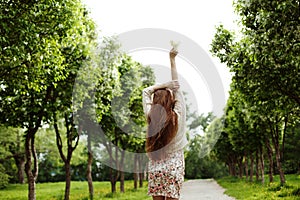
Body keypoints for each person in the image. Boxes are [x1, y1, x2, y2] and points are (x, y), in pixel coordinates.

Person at [142, 48, 188, 200]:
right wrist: (172, 59)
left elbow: (145, 92)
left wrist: (161, 85)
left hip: (157, 168)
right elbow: (177, 87)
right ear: (172, 101)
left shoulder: (151, 117)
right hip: (174, 168)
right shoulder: (178, 116)